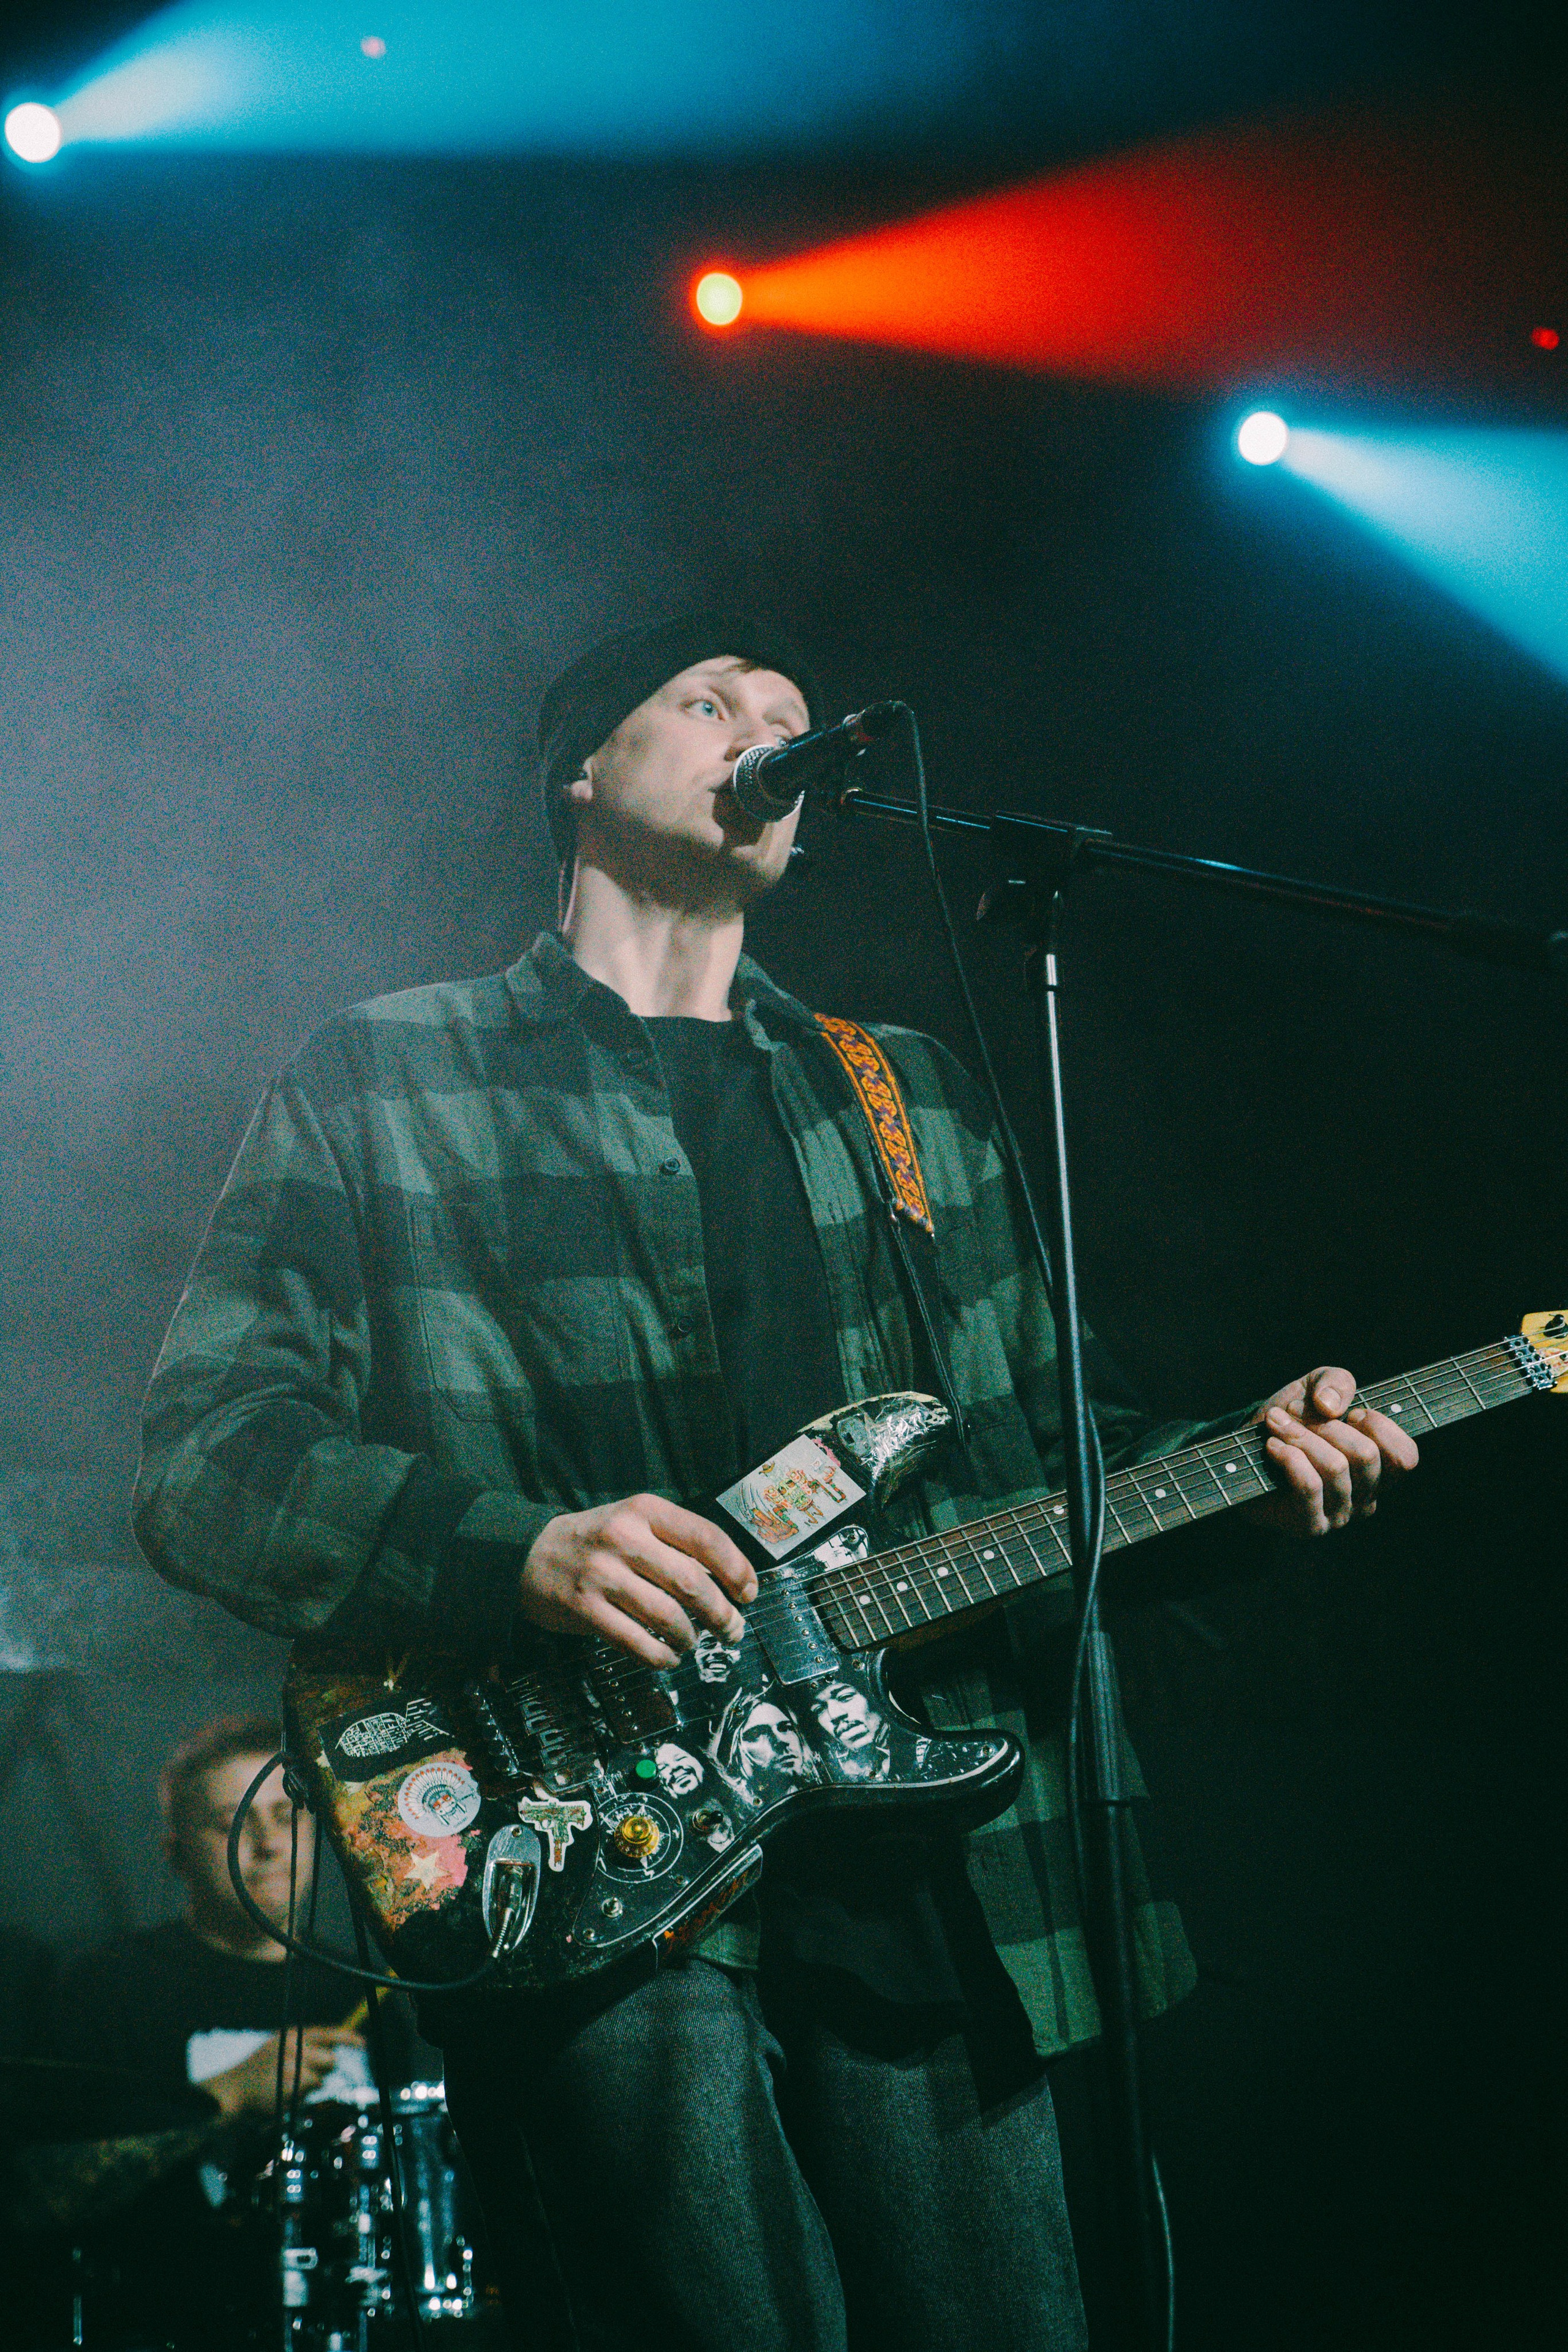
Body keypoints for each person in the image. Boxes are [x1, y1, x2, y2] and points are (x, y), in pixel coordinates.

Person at [132, 609, 1418, 2352]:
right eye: (713, 699)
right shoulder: (389, 1074)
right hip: (590, 1858)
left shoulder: (910, 1099)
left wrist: (1245, 1484)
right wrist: (519, 1549)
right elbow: (211, 1453)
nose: (767, 728)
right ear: (584, 774)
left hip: (941, 1876)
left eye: (794, 716)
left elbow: (1063, 1468)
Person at [40, 1717, 366, 2347]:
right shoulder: (106, 1985)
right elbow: (36, 2194)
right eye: (231, 1822)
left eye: (288, 1813)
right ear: (174, 1853)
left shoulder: (361, 1991)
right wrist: (228, 2097)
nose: (269, 1843)